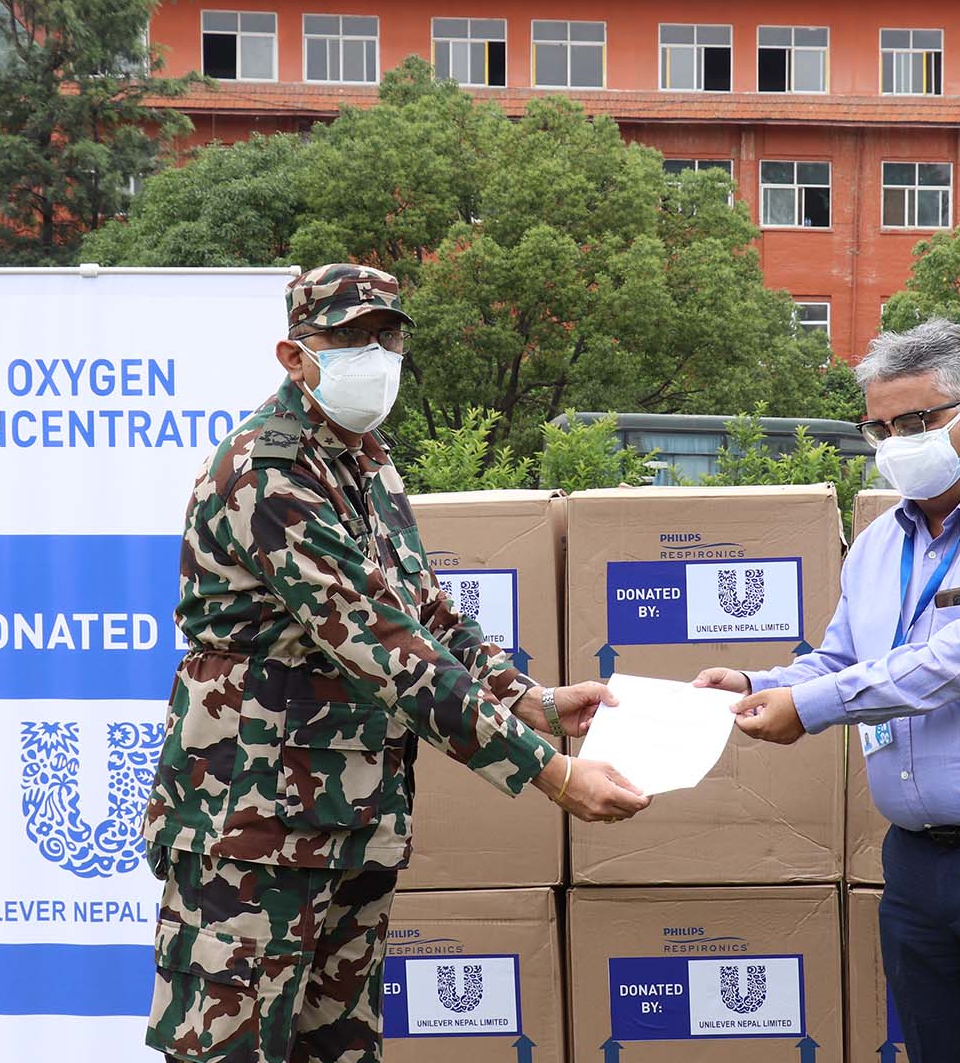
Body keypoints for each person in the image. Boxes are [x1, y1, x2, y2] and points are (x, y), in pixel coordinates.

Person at [142, 263, 649, 1063]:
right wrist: (546, 771)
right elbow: (377, 642)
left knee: (339, 1049)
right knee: (231, 1052)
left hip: (351, 812)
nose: (374, 354)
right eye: (347, 337)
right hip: (250, 823)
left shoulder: (365, 459)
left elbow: (426, 609)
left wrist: (528, 701)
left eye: (387, 335)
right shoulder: (269, 470)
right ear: (294, 355)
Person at [697, 317, 960, 1063]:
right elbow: (837, 661)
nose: (896, 442)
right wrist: (754, 683)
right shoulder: (878, 545)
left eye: (916, 421)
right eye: (880, 427)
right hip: (919, 866)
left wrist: (811, 708)